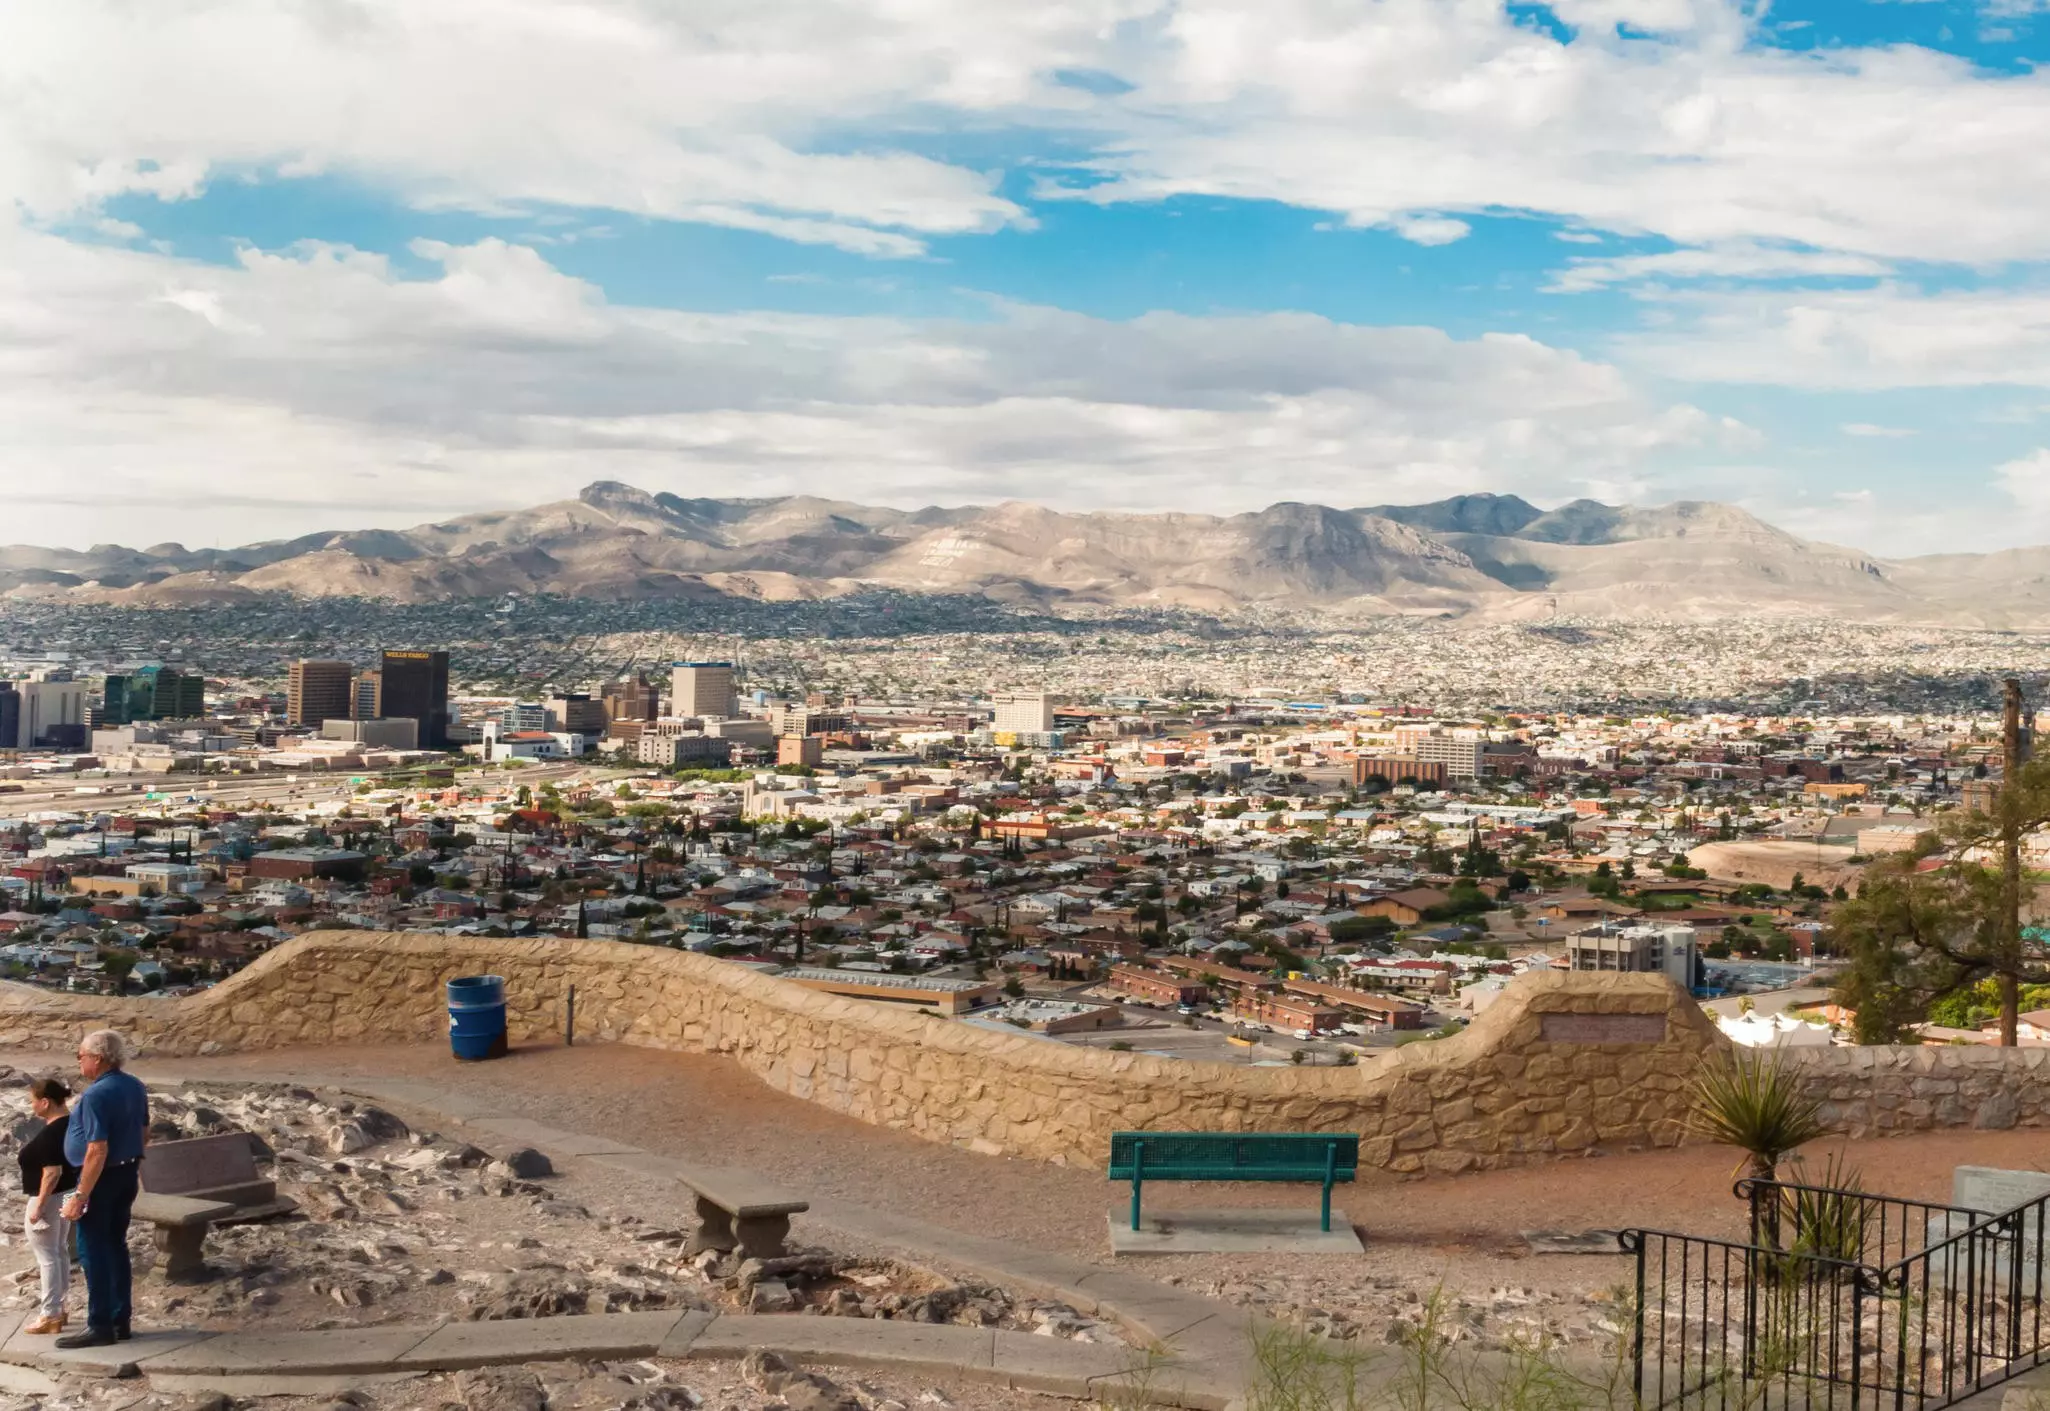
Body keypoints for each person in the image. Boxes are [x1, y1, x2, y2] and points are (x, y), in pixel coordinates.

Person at [56, 1030, 149, 1349]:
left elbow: (97, 1149)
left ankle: (100, 1325)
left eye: (80, 1056)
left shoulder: (96, 1095)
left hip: (101, 1178)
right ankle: (120, 1319)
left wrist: (80, 1194)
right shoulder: (134, 1086)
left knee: (93, 1249)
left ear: (97, 1058)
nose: (79, 1061)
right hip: (126, 1173)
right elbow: (144, 1131)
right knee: (115, 1246)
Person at [17, 1077, 79, 1335]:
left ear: (45, 1102)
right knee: (59, 1251)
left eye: (33, 1101)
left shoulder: (52, 1132)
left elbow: (51, 1172)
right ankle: (59, 1308)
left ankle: (50, 1313)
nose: (31, 1106)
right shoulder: (70, 1123)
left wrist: (39, 1206)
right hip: (67, 1192)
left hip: (51, 1196)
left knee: (47, 1257)